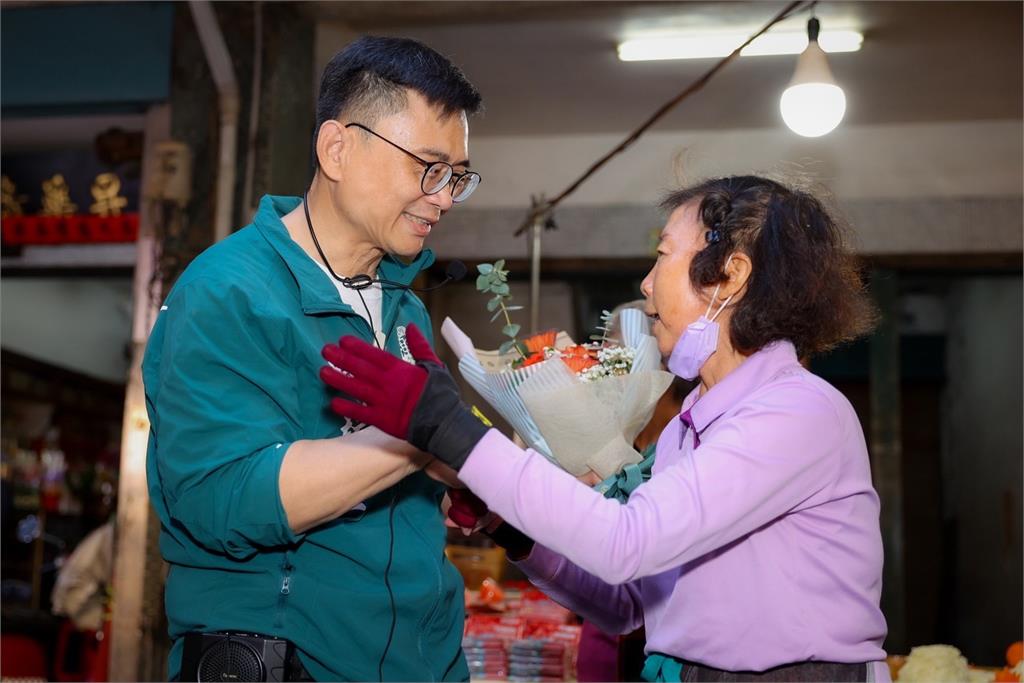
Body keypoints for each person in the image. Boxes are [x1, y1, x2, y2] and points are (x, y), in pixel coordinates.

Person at [321, 175, 891, 682]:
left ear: (729, 276)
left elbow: (626, 542)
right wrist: (508, 526)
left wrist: (449, 427)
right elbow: (627, 604)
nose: (646, 284)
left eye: (663, 256)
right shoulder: (687, 428)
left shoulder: (795, 412)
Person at [144, 36, 482, 681]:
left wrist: (464, 480)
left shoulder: (400, 303)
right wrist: (424, 438)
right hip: (291, 659)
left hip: (421, 660)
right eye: (428, 167)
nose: (443, 197)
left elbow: (374, 481)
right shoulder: (231, 291)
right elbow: (221, 497)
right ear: (337, 149)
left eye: (457, 177)